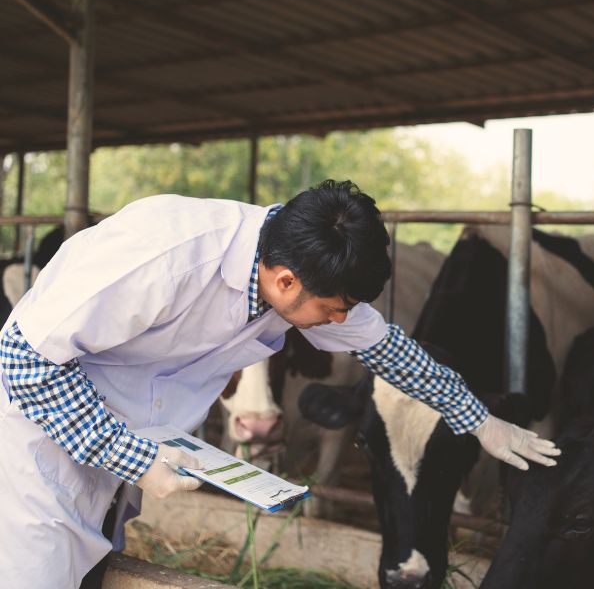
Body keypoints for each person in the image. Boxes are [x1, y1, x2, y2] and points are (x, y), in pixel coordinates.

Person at [0, 180, 560, 588]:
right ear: (287, 281)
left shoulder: (296, 267)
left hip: (113, 452)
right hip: (39, 446)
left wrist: (476, 417)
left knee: (91, 575)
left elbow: (384, 346)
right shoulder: (167, 253)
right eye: (334, 310)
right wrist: (130, 457)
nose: (340, 322)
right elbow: (23, 357)